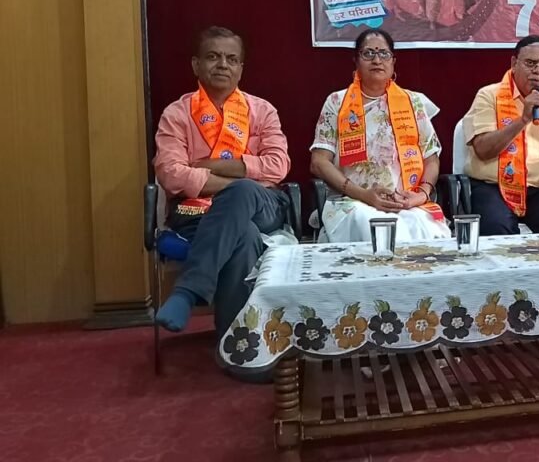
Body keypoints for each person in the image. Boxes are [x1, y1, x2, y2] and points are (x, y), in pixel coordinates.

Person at [153, 26, 292, 343]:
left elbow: (278, 166)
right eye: (213, 57)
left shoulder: (262, 111)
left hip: (263, 205)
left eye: (231, 59)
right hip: (196, 212)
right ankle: (238, 346)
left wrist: (211, 166)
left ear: (241, 68)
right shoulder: (177, 114)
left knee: (244, 193)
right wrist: (243, 177)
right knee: (244, 234)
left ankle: (187, 292)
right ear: (196, 64)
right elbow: (171, 174)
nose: (222, 65)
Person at [310, 29, 449, 242]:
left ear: (393, 61)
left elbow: (431, 159)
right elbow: (319, 162)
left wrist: (421, 194)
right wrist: (362, 194)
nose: (377, 60)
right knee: (376, 226)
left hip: (406, 201)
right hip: (354, 201)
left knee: (425, 229)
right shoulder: (337, 102)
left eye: (384, 54)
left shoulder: (413, 102)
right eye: (368, 53)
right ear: (356, 60)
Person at [463, 34, 539, 235]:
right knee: (496, 228)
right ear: (514, 63)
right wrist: (523, 120)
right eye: (530, 63)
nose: (537, 70)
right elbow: (483, 149)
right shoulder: (488, 95)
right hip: (493, 187)